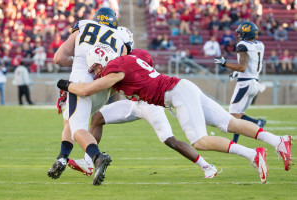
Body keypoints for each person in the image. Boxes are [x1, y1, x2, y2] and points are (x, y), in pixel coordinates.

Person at [57, 45, 292, 184]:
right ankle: (277, 141)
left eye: (96, 67)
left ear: (103, 60)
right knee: (229, 123)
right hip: (180, 88)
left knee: (200, 140)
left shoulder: (114, 68)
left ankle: (253, 154)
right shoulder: (126, 61)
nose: (96, 72)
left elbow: (87, 89)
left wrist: (66, 85)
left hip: (175, 94)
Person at [67, 49, 218, 179]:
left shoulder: (133, 57)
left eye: (97, 67)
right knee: (98, 117)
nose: (97, 72)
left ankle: (206, 166)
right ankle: (88, 162)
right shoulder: (116, 64)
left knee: (169, 140)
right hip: (133, 103)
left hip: (150, 104)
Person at [47, 7, 126, 186]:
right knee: (70, 118)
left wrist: (77, 61)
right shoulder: (120, 38)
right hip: (103, 89)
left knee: (78, 127)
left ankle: (97, 157)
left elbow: (59, 58)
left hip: (81, 82)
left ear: (96, 18)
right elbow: (121, 71)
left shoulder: (83, 27)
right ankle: (62, 158)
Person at [214, 22, 267, 143]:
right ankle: (235, 141)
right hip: (254, 81)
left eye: (240, 33)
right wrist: (238, 73)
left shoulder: (243, 45)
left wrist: (224, 63)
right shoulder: (260, 45)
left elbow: (243, 67)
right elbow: (251, 65)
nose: (238, 36)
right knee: (238, 114)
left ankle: (257, 122)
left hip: (245, 84)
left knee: (233, 115)